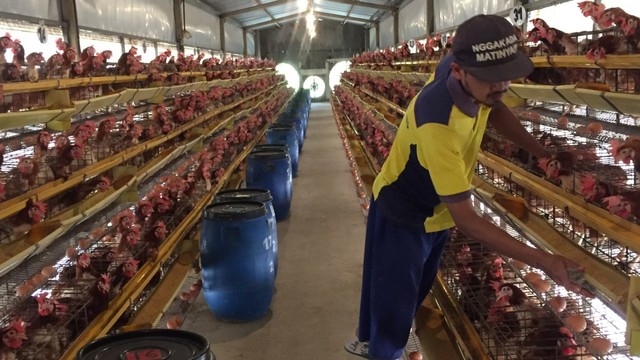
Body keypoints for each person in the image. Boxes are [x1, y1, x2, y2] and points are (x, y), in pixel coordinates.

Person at [344, 14, 594, 360]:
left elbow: (495, 106)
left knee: (407, 291)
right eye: (491, 78)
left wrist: (541, 152)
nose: (501, 85)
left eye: (505, 76)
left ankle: (367, 339)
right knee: (394, 304)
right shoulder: (438, 124)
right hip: (405, 211)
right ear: (459, 71)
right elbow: (469, 221)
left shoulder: (463, 70)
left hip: (438, 208)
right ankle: (382, 351)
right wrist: (546, 261)